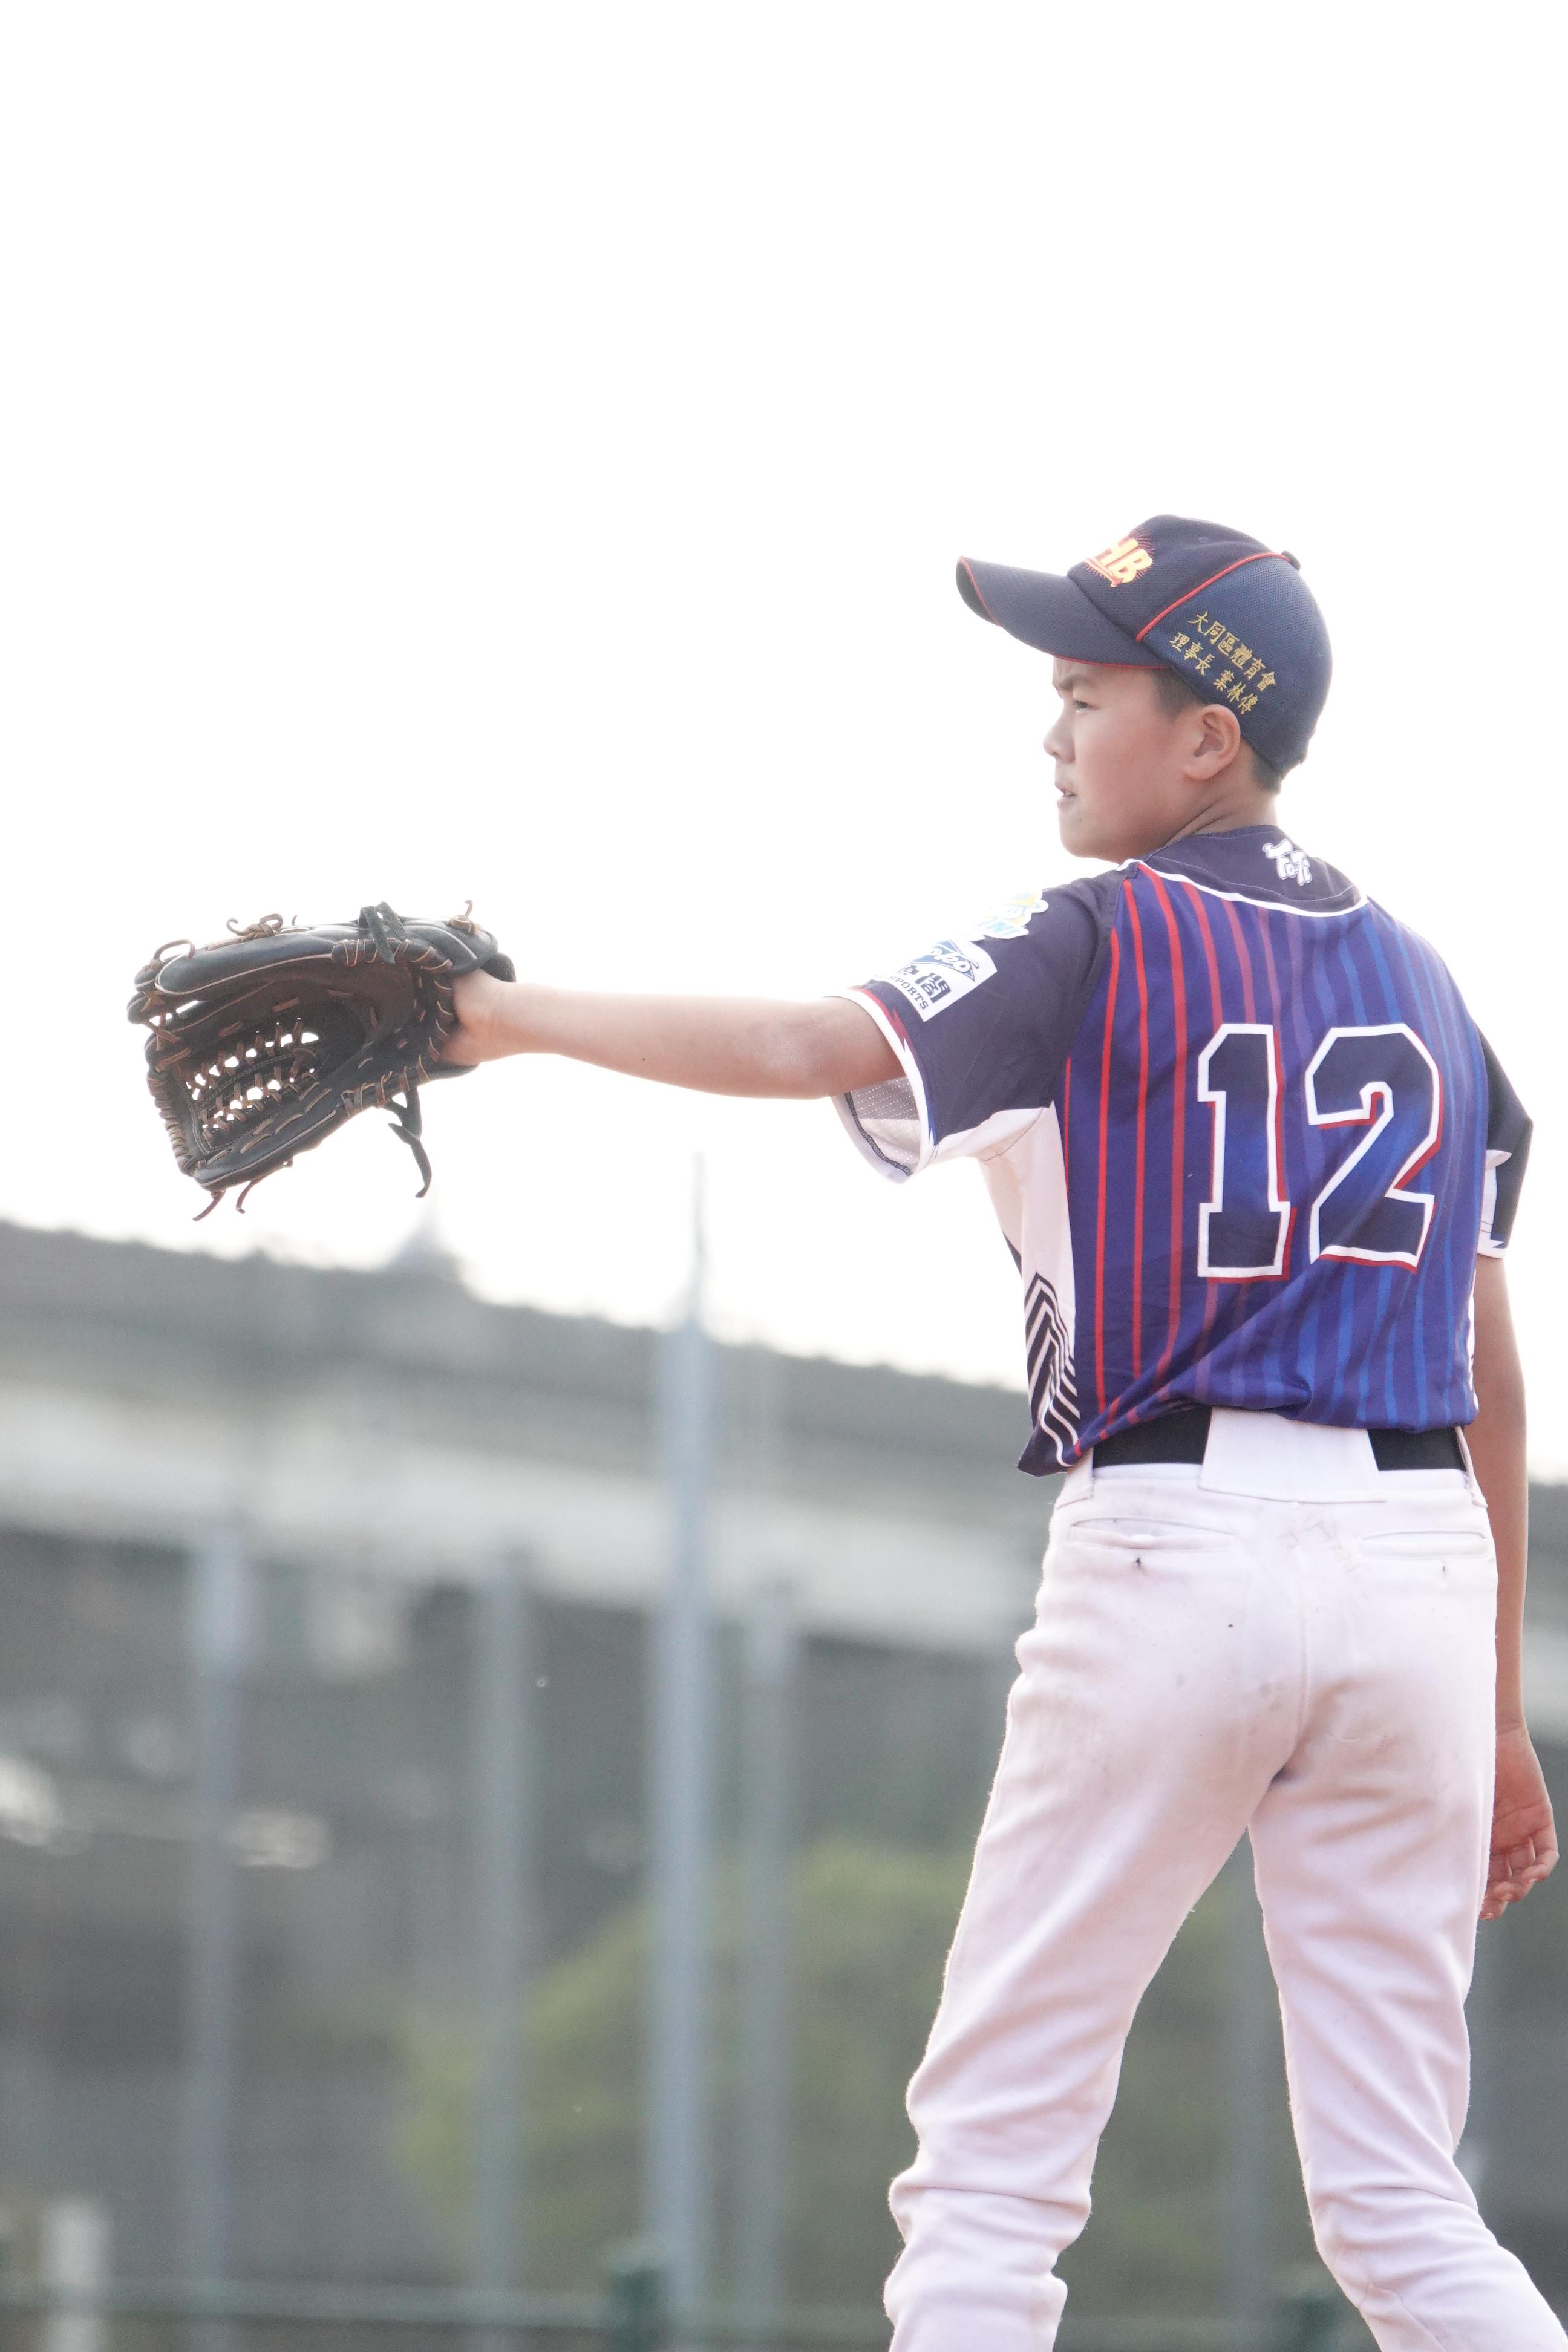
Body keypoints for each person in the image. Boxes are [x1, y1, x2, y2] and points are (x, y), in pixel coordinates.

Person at [444, 514, 1562, 2350]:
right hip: (1422, 1565)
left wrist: (496, 1017)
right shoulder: (1438, 995)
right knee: (1402, 2200)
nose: (1053, 731)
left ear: (1208, 737)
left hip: (1181, 1544)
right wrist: (1496, 1708)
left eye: (1086, 693)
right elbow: (1492, 1368)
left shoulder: (1099, 933)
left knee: (991, 2175)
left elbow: (810, 1047)